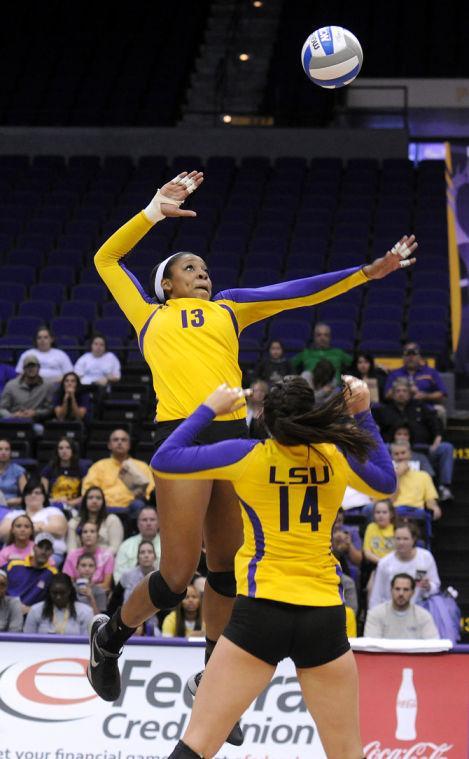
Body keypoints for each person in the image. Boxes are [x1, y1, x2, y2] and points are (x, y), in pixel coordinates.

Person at [84, 168, 416, 738]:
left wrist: (367, 273)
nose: (203, 272)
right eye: (190, 267)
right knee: (174, 574)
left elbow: (299, 291)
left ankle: (211, 675)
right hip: (184, 434)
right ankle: (110, 635)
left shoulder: (232, 308)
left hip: (236, 437)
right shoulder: (148, 314)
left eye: (205, 267)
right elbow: (105, 261)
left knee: (227, 570)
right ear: (167, 284)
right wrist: (152, 212)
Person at [90, 375, 397, 758]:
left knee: (196, 746)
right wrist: (362, 412)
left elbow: (165, 459)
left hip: (261, 613)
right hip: (322, 616)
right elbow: (386, 483)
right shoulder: (334, 455)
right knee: (347, 753)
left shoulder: (247, 455)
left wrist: (209, 410)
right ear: (312, 413)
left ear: (264, 417)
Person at [374, 377, 454, 501]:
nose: (401, 394)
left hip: (423, 450)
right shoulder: (383, 410)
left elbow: (436, 424)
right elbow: (374, 430)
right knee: (380, 447)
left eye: (404, 391)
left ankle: (444, 487)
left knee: (446, 447)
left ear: (410, 393)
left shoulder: (421, 407)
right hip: (392, 453)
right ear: (393, 394)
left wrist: (437, 439)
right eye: (398, 391)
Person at [81, 428, 154, 516]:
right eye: (116, 440)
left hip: (131, 507)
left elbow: (150, 491)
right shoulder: (98, 466)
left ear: (129, 445)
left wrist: (142, 495)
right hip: (104, 507)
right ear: (109, 445)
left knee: (139, 505)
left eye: (123, 440)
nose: (119, 442)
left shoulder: (142, 466)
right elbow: (88, 489)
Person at [369, 521, 441, 609]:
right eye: (398, 539)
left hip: (419, 609)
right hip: (390, 611)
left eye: (405, 539)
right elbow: (377, 594)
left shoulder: (426, 557)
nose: (401, 543)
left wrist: (428, 586)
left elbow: (436, 586)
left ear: (413, 539)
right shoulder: (384, 563)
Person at [0, 480, 68, 564]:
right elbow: (2, 533)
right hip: (12, 555)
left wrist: (21, 529)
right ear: (24, 497)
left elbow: (59, 529)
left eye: (37, 493)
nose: (33, 495)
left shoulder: (52, 511)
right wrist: (40, 527)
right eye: (29, 493)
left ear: (44, 497)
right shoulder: (15, 513)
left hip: (49, 555)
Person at [384, 342, 448, 422]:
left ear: (419, 357)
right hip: (400, 407)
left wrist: (426, 396)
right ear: (403, 357)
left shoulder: (431, 372)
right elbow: (387, 395)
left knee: (440, 411)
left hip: (425, 406)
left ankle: (439, 434)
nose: (411, 358)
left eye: (414, 354)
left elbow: (442, 393)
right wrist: (405, 393)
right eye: (407, 354)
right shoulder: (395, 374)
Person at [364, 573, 439, 639]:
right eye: (397, 589)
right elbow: (371, 645)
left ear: (413, 592)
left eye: (406, 589)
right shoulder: (375, 614)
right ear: (391, 590)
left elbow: (433, 644)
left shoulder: (424, 616)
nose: (401, 593)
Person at [111, 541, 161, 636]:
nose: (146, 555)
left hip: (152, 625)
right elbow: (115, 601)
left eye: (149, 552)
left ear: (154, 556)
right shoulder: (127, 576)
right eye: (142, 552)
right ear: (138, 557)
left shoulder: (161, 577)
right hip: (127, 621)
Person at [3, 532, 57, 614]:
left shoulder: (53, 574)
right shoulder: (13, 565)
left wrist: (31, 610)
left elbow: (53, 601)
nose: (43, 551)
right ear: (34, 547)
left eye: (47, 549)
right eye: (40, 547)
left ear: (52, 552)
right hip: (6, 609)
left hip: (31, 615)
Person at [23, 572, 93, 635]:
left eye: (62, 593)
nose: (58, 597)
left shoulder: (85, 612)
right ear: (49, 592)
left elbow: (86, 642)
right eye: (54, 593)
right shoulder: (36, 610)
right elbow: (27, 639)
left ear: (70, 591)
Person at [0, 354, 55, 427]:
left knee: (39, 430)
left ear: (39, 368)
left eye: (34, 366)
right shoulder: (11, 385)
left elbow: (50, 410)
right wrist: (12, 415)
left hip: (36, 422)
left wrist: (35, 413)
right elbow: (2, 408)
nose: (31, 369)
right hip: (14, 422)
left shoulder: (48, 386)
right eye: (28, 366)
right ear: (23, 369)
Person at [390, 441, 441, 520]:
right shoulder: (388, 476)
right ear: (392, 456)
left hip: (417, 512)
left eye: (403, 453)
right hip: (396, 511)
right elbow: (390, 501)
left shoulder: (424, 476)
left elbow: (430, 499)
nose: (400, 457)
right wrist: (397, 475)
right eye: (396, 454)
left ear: (410, 454)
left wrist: (435, 507)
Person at [67, 486, 124, 556]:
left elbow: (115, 548)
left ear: (103, 502)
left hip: (106, 561)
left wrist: (97, 559)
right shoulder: (74, 522)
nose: (94, 501)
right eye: (90, 498)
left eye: (98, 498)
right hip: (81, 563)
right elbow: (71, 551)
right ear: (85, 501)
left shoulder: (112, 520)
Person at [113, 505, 160, 582]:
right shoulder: (126, 545)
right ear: (138, 523)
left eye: (152, 519)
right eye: (144, 520)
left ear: (159, 523)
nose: (148, 523)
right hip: (131, 590)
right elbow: (119, 577)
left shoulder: (167, 546)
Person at [62, 521, 114, 591]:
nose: (88, 535)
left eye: (92, 532)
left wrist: (88, 589)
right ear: (81, 537)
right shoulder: (72, 555)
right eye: (85, 532)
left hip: (98, 594)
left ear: (98, 536)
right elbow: (68, 583)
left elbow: (106, 585)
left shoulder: (107, 556)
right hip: (76, 593)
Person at [41, 437, 90, 509]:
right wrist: (56, 501)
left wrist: (69, 503)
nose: (64, 451)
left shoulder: (82, 469)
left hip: (74, 507)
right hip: (52, 506)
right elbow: (42, 496)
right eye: (61, 448)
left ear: (73, 450)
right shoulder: (49, 469)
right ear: (57, 451)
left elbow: (86, 495)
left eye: (68, 448)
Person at [363, 500, 395, 566]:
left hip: (393, 565)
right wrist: (382, 562)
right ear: (373, 514)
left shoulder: (396, 528)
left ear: (391, 514)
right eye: (378, 512)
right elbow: (367, 552)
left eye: (384, 512)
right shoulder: (371, 527)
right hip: (375, 564)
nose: (381, 515)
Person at [0, 438, 27, 507]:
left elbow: (27, 496)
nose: (3, 452)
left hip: (12, 507)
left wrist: (8, 502)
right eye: (0, 449)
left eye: (7, 449)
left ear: (10, 452)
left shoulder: (18, 470)